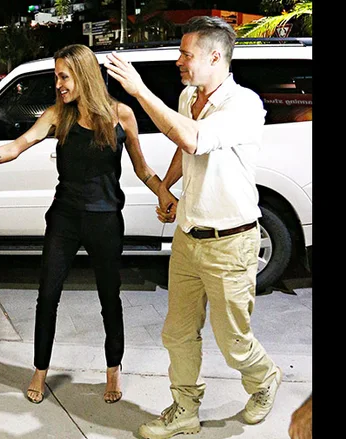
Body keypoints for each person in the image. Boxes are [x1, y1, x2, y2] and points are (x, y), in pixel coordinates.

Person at [0, 44, 166, 405]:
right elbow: (12, 148)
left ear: (83, 76)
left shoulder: (121, 115)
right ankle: (40, 370)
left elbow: (143, 169)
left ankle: (113, 370)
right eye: (56, 76)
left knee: (109, 299)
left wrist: (164, 194)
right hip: (65, 217)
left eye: (63, 76)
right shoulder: (58, 115)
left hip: (105, 220)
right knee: (47, 296)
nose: (58, 84)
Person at [104, 16, 282, 438]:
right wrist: (166, 188)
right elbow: (186, 152)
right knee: (177, 334)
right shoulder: (189, 97)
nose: (179, 61)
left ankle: (265, 379)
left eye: (187, 54)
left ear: (215, 56)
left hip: (231, 242)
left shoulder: (243, 105)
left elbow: (194, 139)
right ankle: (184, 408)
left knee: (233, 342)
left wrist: (139, 90)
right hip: (188, 238)